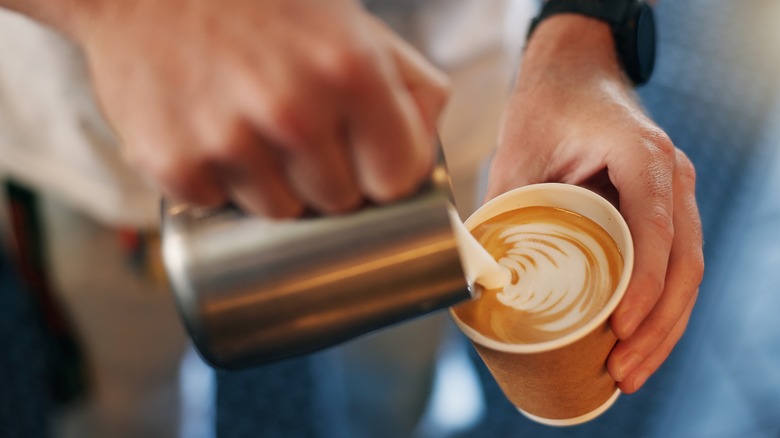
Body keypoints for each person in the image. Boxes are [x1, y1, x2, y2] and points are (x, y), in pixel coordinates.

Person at [0, 0, 703, 435]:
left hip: (462, 109)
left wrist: (586, 29)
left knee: (406, 379)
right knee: (127, 402)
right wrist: (123, 13)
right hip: (104, 149)